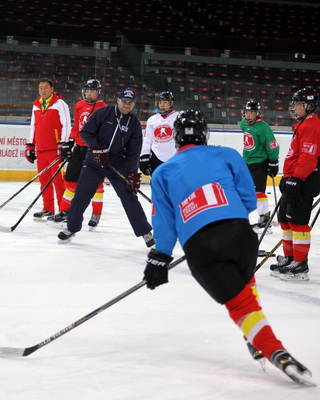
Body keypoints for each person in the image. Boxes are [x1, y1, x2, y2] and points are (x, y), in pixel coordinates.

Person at [142, 109, 313, 386]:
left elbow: (164, 224)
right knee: (245, 285)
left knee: (240, 304)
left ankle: (274, 350)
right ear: (204, 134)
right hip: (240, 235)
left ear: (175, 138)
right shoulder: (227, 155)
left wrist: (159, 257)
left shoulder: (163, 172)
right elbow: (248, 200)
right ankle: (254, 338)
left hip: (201, 245)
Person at [57, 87, 154, 247]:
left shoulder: (134, 123)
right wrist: (97, 149)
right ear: (118, 100)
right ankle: (71, 228)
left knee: (129, 198)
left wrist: (131, 174)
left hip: (117, 165)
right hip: (94, 162)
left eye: (130, 103)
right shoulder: (104, 113)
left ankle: (145, 232)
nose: (127, 105)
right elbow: (86, 132)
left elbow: (134, 152)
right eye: (124, 101)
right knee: (81, 196)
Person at [270, 88, 320, 281]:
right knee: (285, 220)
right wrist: (287, 176)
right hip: (293, 179)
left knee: (298, 223)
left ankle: (300, 264)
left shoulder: (312, 126)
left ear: (309, 106)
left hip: (304, 181)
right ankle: (290, 257)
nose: (295, 107)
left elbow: (308, 156)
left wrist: (296, 178)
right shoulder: (302, 124)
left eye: (299, 104)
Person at [47, 78, 107, 229]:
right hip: (79, 148)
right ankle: (65, 211)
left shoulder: (104, 108)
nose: (88, 93)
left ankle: (96, 214)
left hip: (94, 149)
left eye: (92, 91)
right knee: (71, 181)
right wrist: (69, 142)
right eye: (86, 90)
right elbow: (76, 126)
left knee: (97, 183)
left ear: (98, 92)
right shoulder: (80, 105)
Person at [25, 79, 71, 220]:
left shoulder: (60, 104)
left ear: (52, 89)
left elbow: (66, 124)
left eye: (45, 88)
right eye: (40, 88)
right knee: (44, 180)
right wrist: (30, 145)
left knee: (58, 180)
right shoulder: (36, 106)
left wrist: (64, 143)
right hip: (41, 149)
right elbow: (33, 126)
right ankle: (48, 208)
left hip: (54, 149)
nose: (43, 90)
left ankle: (63, 210)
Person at [240, 101, 279, 233]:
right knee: (244, 190)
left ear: (257, 114)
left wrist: (274, 161)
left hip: (259, 163)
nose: (248, 115)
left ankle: (265, 220)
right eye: (246, 112)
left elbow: (272, 145)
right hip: (247, 162)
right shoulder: (243, 124)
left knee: (259, 192)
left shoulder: (264, 128)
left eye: (251, 112)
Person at [139, 91, 178, 176]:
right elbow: (147, 140)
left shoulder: (178, 118)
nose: (162, 105)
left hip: (174, 157)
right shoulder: (152, 120)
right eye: (160, 102)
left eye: (165, 102)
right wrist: (144, 156)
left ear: (171, 103)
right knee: (157, 186)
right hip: (156, 158)